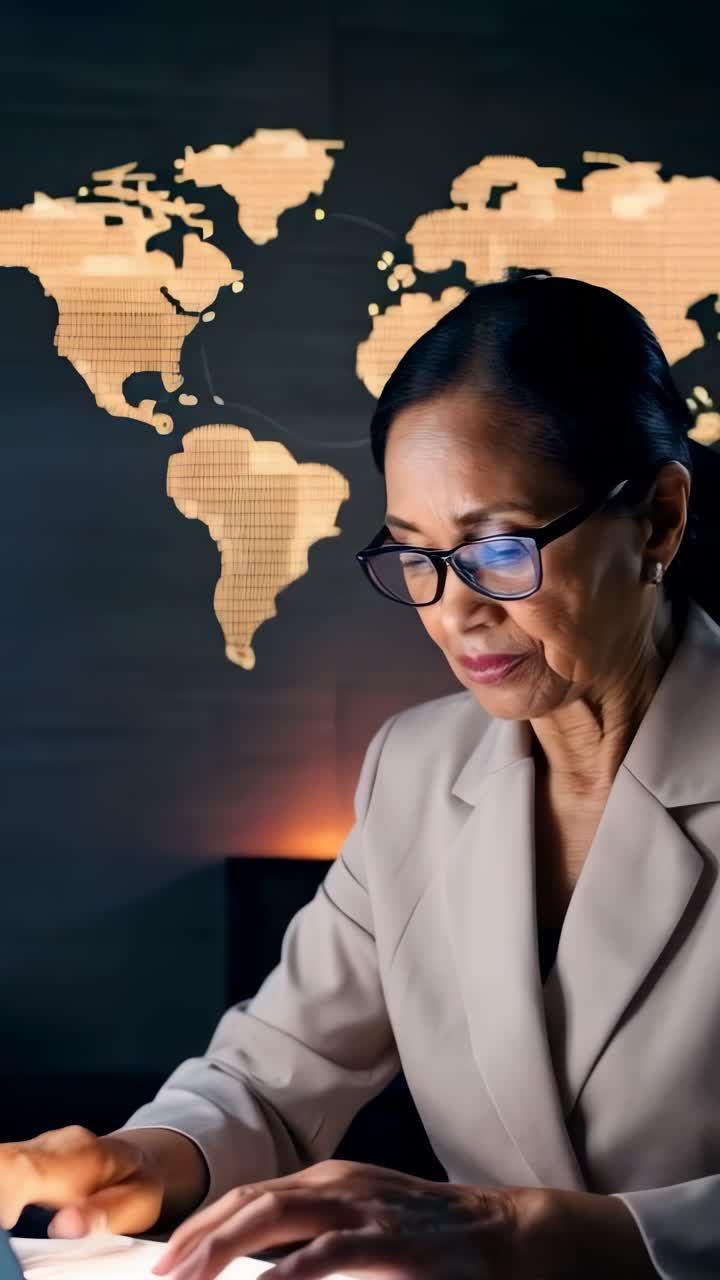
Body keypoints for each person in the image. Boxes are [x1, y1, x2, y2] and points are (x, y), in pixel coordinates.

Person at [3, 276, 720, 1280]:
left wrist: (524, 1231)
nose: (454, 612)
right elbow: (271, 1076)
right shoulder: (415, 770)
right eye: (417, 555)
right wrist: (142, 1159)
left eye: (499, 546)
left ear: (658, 519)